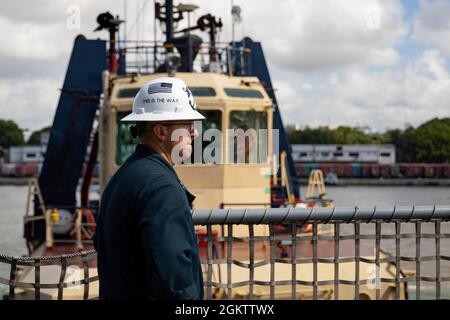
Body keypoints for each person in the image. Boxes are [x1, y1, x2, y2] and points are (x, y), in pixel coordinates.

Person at [93, 77, 205, 300]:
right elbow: (174, 281)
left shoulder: (124, 176)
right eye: (188, 126)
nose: (195, 133)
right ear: (161, 131)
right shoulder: (162, 188)